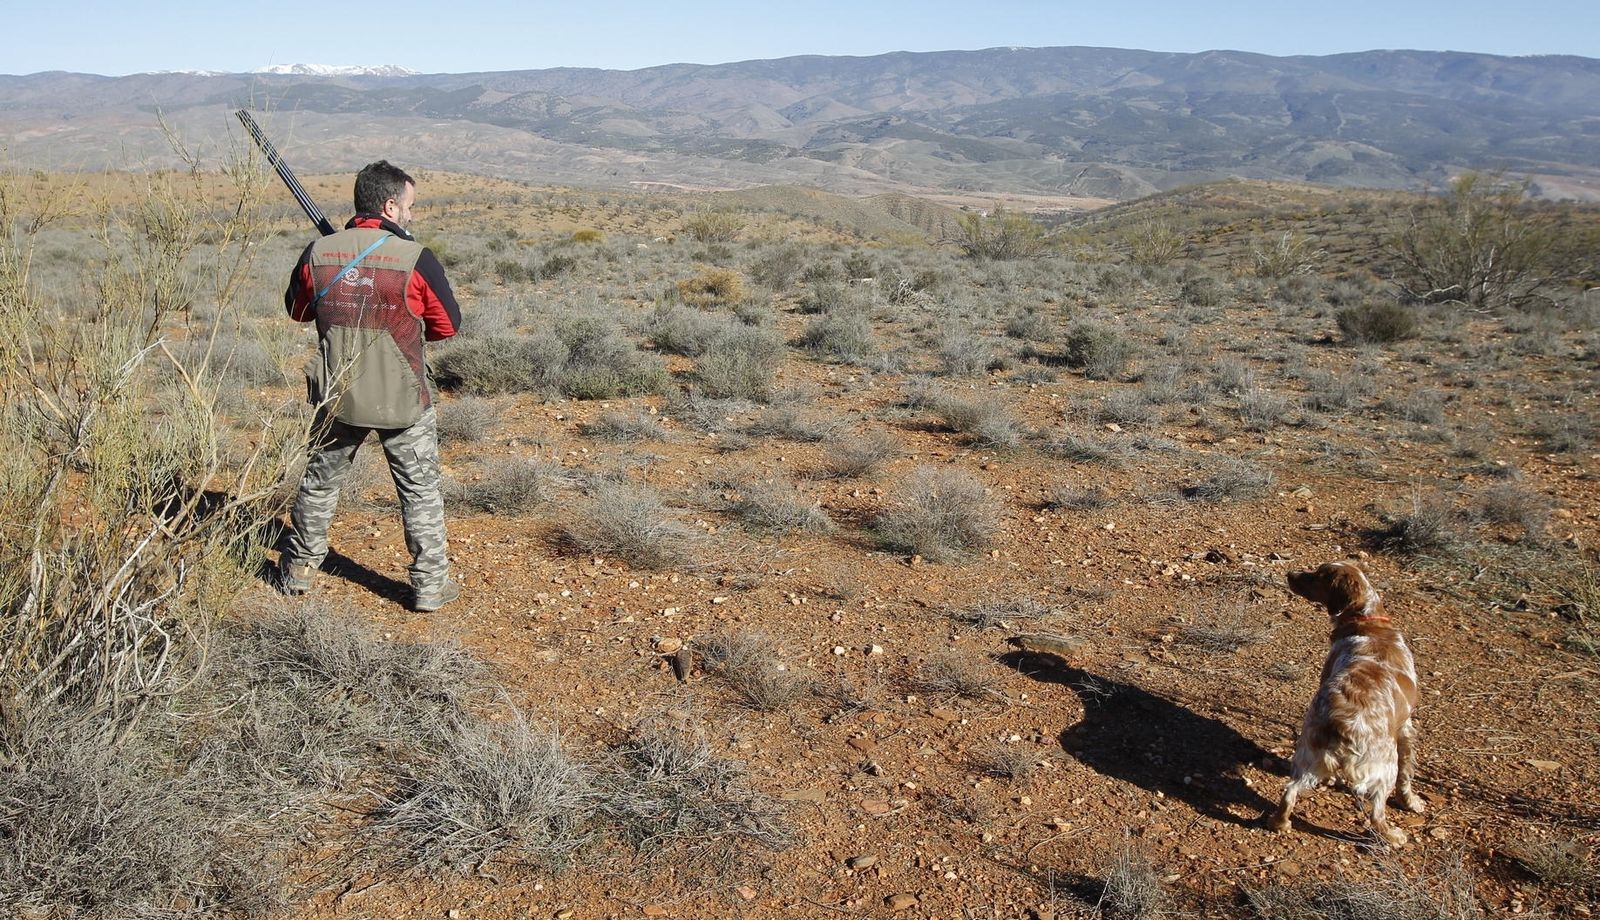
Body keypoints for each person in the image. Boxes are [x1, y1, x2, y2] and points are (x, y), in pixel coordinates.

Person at [277, 160, 463, 611]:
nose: (412, 216)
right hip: (404, 398)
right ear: (390, 205)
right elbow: (447, 326)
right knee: (419, 490)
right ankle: (430, 587)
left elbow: (298, 312)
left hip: (338, 395)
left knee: (320, 483)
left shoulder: (318, 254)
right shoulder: (415, 259)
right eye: (409, 207)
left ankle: (299, 569)